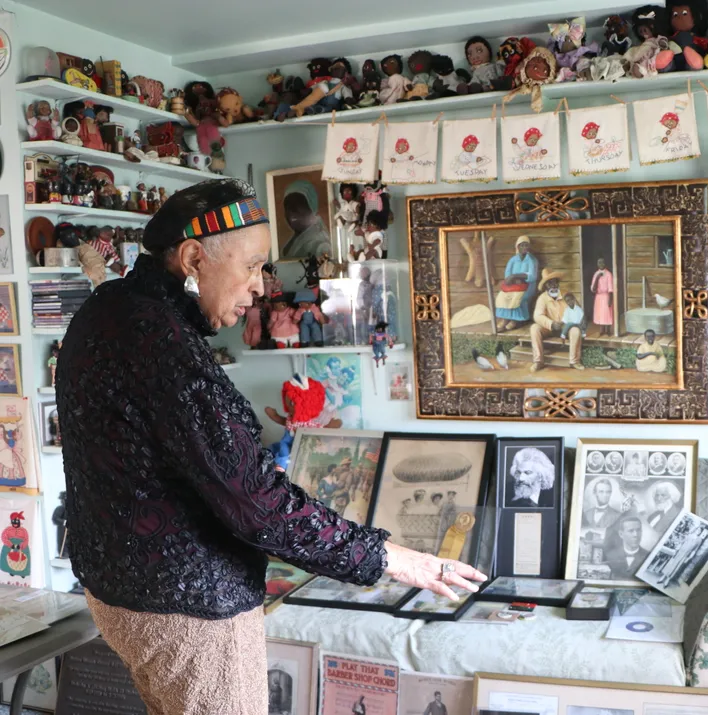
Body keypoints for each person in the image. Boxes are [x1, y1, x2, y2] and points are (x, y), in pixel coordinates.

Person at [55, 179, 485, 715]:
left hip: (120, 590)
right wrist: (392, 558)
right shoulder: (166, 347)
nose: (262, 287)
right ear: (193, 257)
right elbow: (257, 504)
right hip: (189, 610)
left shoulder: (108, 309)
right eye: (254, 265)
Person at [530, 269, 585, 372]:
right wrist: (551, 324)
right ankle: (538, 361)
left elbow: (578, 311)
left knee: (576, 331)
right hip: (549, 328)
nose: (553, 286)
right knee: (534, 328)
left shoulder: (566, 294)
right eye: (549, 283)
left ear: (558, 283)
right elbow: (537, 316)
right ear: (545, 286)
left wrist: (566, 323)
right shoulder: (542, 298)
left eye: (555, 282)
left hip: (565, 327)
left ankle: (574, 362)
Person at [494, 236, 539, 331]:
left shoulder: (532, 260)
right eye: (521, 245)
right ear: (517, 247)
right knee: (503, 296)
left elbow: (532, 276)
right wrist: (513, 279)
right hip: (514, 285)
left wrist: (517, 276)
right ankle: (505, 319)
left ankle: (516, 320)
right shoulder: (513, 260)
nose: (524, 248)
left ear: (529, 247)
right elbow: (507, 275)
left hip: (528, 286)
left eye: (526, 245)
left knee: (518, 298)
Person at [280, 180, 332, 259]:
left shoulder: (320, 244)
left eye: (299, 205)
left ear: (312, 207)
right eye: (287, 207)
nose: (291, 211)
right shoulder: (298, 235)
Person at [590, 257, 614, 336]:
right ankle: (602, 330)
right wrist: (597, 277)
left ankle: (608, 330)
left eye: (602, 262)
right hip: (599, 296)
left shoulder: (608, 274)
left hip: (606, 295)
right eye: (599, 263)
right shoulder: (596, 274)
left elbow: (610, 287)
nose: (600, 264)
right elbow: (593, 288)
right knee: (600, 313)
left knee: (607, 313)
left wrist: (610, 299)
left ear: (605, 263)